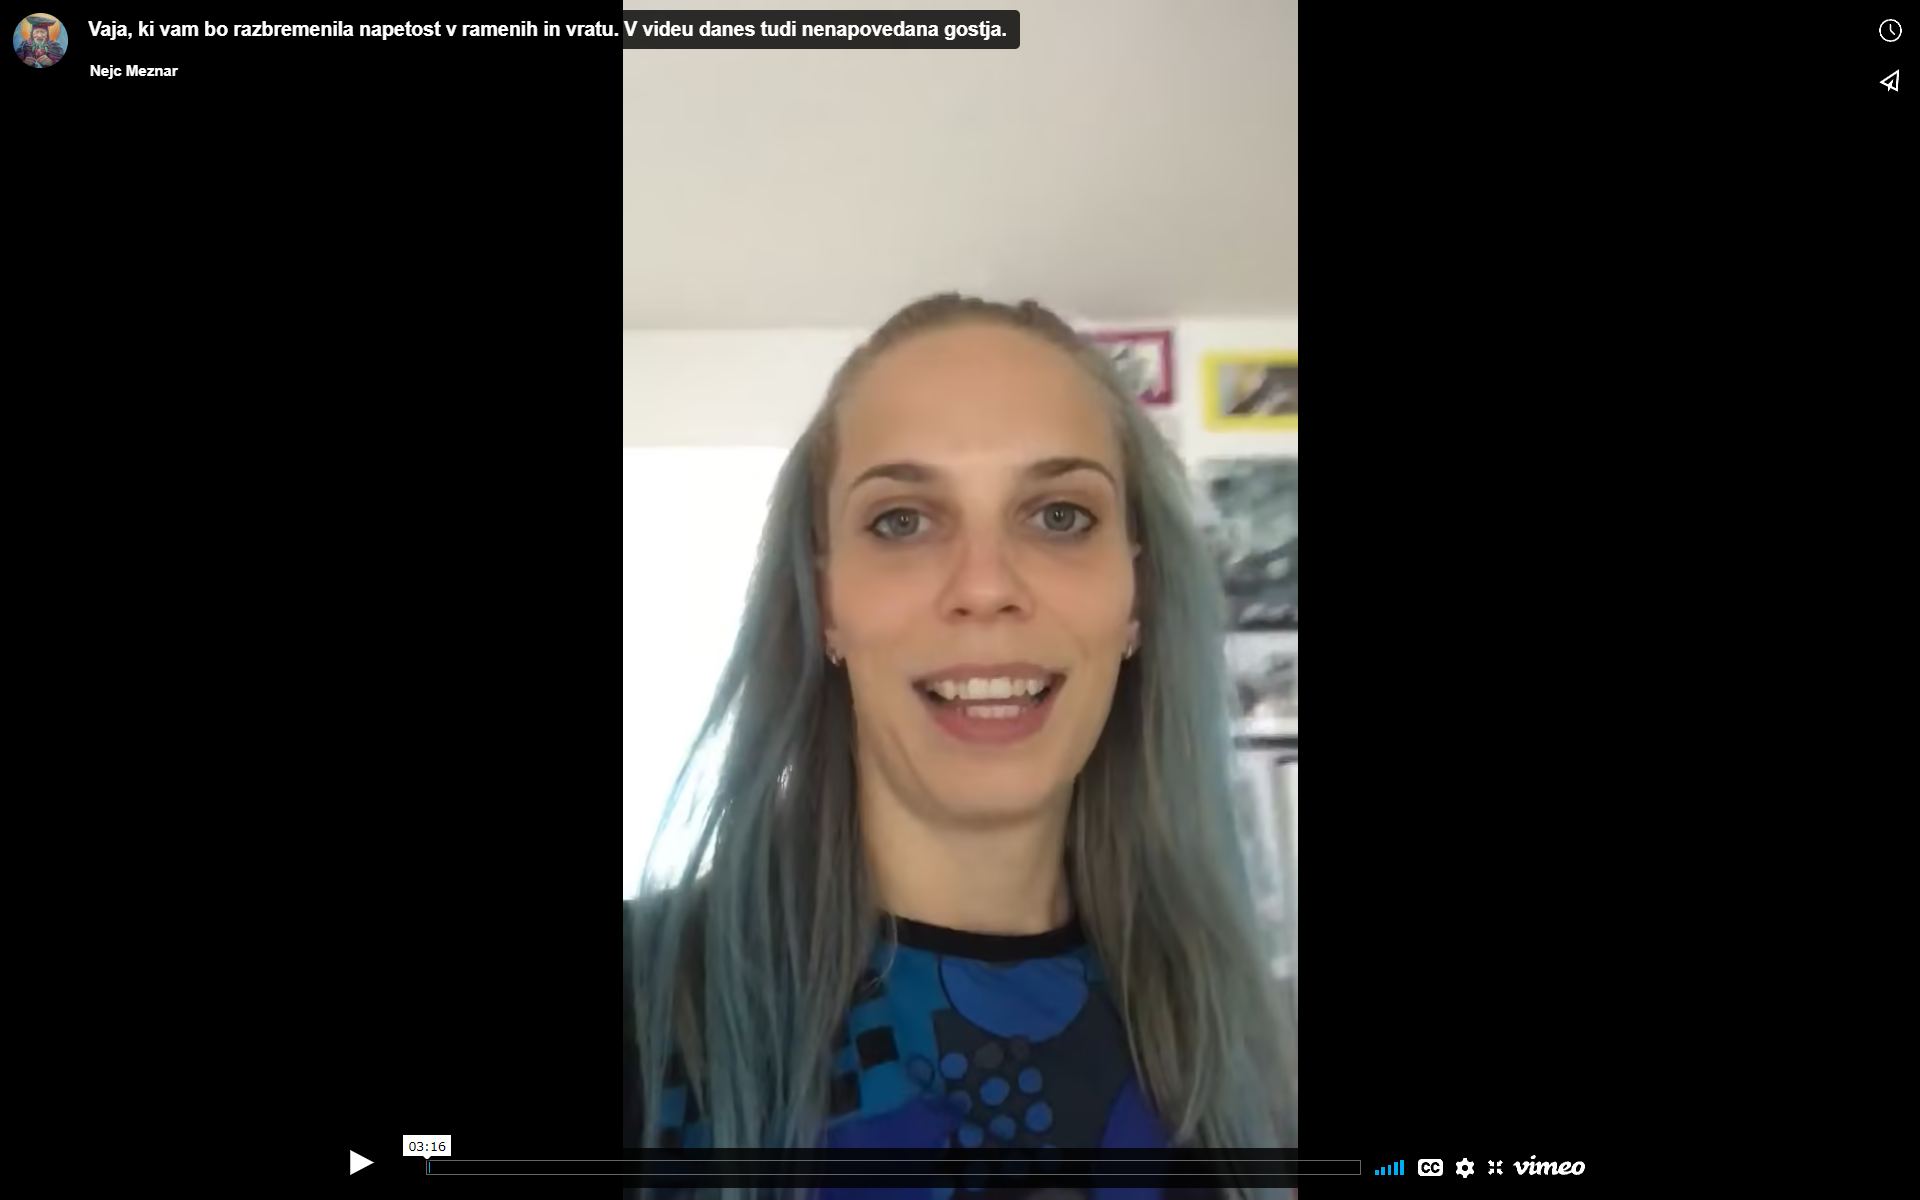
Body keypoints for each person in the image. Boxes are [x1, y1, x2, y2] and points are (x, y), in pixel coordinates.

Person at [625, 294, 1297, 1197]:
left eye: (1059, 516)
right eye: (902, 520)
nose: (984, 587)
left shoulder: (1240, 1043)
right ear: (826, 600)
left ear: (1135, 594)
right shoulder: (646, 1006)